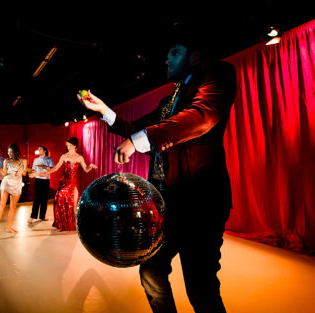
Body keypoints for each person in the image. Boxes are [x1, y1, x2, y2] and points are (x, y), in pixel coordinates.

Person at [78, 28, 236, 313]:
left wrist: (139, 141)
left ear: (195, 56)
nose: (167, 60)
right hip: (168, 205)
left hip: (201, 204)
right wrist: (103, 110)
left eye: (174, 53)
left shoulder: (219, 75)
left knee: (200, 287)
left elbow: (202, 117)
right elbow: (133, 130)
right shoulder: (169, 102)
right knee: (151, 270)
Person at [36, 137, 97, 232]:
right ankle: (61, 224)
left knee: (72, 204)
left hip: (72, 183)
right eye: (67, 145)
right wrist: (41, 174)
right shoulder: (64, 156)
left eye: (70, 145)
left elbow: (86, 169)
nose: (68, 147)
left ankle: (73, 224)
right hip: (63, 182)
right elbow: (55, 168)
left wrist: (90, 166)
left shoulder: (79, 157)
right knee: (59, 200)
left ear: (75, 146)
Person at [0, 143, 27, 238]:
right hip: (6, 182)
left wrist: (22, 170)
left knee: (13, 206)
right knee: (2, 204)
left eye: (11, 152)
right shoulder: (6, 160)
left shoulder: (23, 161)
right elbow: (4, 173)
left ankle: (8, 227)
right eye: (8, 152)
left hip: (17, 183)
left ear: (15, 152)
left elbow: (24, 173)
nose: (9, 153)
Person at [28, 146, 55, 224]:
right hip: (38, 180)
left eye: (40, 149)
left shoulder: (49, 159)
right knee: (37, 199)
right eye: (38, 149)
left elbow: (52, 169)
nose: (39, 150)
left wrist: (44, 166)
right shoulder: (36, 160)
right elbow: (33, 169)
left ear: (44, 151)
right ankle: (32, 216)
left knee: (44, 199)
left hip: (46, 181)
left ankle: (42, 216)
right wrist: (30, 171)